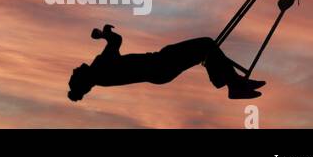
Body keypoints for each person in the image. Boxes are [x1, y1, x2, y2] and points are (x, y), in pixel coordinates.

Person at [67, 24, 265, 101]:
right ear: (82, 79)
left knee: (204, 52)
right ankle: (233, 85)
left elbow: (114, 46)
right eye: (74, 74)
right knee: (206, 44)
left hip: (159, 71)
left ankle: (233, 84)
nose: (75, 69)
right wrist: (105, 34)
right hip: (160, 63)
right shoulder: (99, 69)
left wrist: (105, 36)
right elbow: (116, 42)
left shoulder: (100, 76)